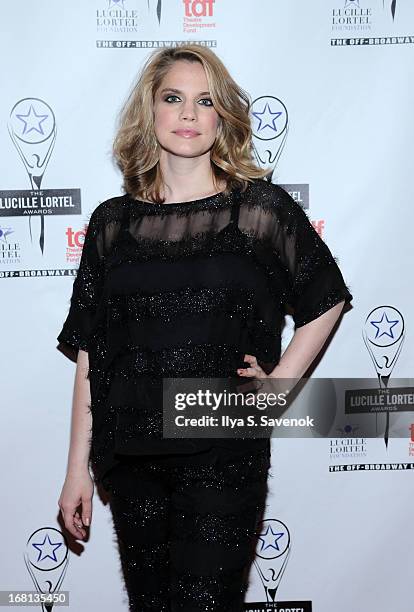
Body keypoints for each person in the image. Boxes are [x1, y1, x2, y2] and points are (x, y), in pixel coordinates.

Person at [56, 44, 353, 611]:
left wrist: (279, 386)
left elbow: (326, 298)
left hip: (221, 438)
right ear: (152, 110)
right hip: (132, 452)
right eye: (174, 98)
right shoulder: (110, 226)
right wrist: (77, 471)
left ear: (222, 118)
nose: (189, 114)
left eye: (205, 101)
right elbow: (92, 354)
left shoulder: (258, 210)